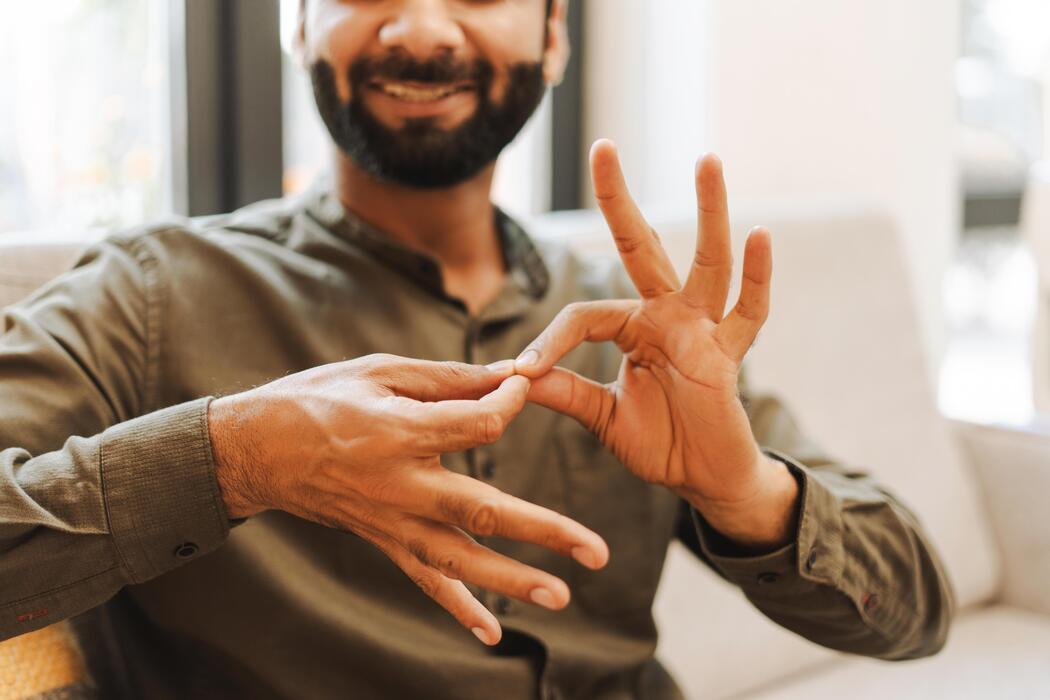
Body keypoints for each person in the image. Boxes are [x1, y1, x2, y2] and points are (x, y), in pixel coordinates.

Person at [0, 1, 953, 697]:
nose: (423, 29)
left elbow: (918, 612)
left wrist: (745, 495)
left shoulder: (638, 330)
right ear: (298, 24)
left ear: (553, 36)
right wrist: (236, 459)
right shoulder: (148, 291)